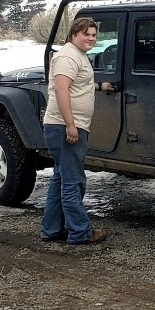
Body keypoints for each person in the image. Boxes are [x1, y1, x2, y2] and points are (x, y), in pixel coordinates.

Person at [41, 17, 113, 244]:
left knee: (61, 178)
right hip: (65, 126)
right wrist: (70, 125)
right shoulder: (68, 56)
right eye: (86, 34)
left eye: (93, 35)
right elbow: (62, 89)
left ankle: (51, 229)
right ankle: (80, 232)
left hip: (64, 124)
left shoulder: (76, 56)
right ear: (74, 34)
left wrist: (99, 86)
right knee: (73, 181)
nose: (91, 38)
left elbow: (76, 84)